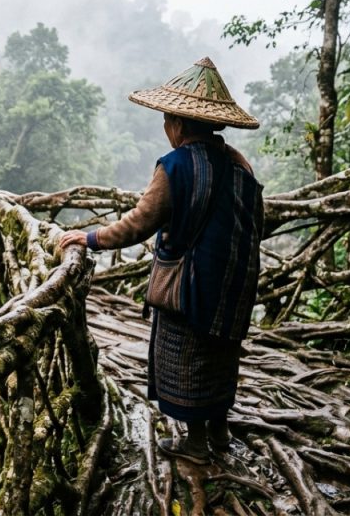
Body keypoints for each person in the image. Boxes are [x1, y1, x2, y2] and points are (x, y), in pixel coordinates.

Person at [59, 57, 264, 464]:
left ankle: (195, 443)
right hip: (234, 285)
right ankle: (219, 433)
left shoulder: (175, 166)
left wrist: (90, 237)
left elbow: (140, 222)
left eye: (167, 120)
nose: (166, 127)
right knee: (221, 358)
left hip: (188, 288)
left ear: (179, 124)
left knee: (187, 359)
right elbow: (255, 218)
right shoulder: (239, 162)